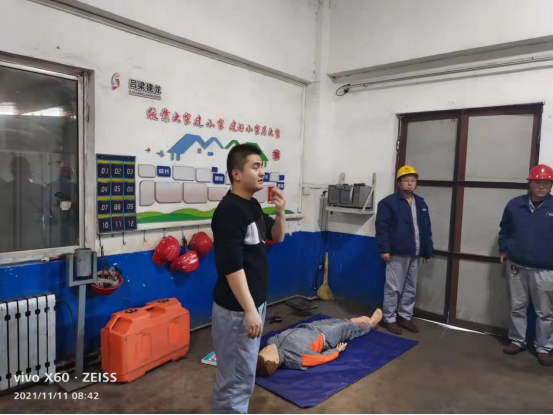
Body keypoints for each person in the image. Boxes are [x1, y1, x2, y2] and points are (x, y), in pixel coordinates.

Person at [211, 144, 287, 413]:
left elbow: (277, 236)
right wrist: (249, 309)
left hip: (251, 306)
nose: (262, 172)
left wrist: (280, 212)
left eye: (262, 166)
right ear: (237, 174)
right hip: (238, 311)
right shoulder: (229, 211)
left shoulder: (251, 205)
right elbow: (231, 267)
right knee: (235, 382)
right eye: (255, 166)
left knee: (242, 376)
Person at [498, 164, 553, 367]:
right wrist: (504, 249)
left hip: (545, 268)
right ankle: (517, 340)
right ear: (530, 183)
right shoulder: (515, 205)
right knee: (517, 306)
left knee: (545, 312)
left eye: (546, 182)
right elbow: (504, 230)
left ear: (551, 185)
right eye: (537, 182)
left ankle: (544, 348)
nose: (541, 186)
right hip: (516, 265)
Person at [375, 165, 434, 335]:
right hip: (397, 251)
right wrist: (384, 249)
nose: (409, 183)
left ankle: (404, 317)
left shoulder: (420, 203)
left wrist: (427, 250)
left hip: (415, 251)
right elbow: (382, 228)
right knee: (393, 287)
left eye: (412, 180)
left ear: (416, 183)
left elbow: (425, 228)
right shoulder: (388, 203)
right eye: (406, 180)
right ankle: (389, 318)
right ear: (399, 183)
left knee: (410, 287)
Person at [256, 309, 383, 377]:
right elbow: (321, 358)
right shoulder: (297, 358)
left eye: (264, 349)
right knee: (344, 328)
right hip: (325, 337)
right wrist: (336, 351)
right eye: (267, 351)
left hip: (309, 327)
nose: (267, 348)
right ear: (276, 361)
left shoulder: (271, 342)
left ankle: (352, 321)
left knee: (334, 321)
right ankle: (370, 324)